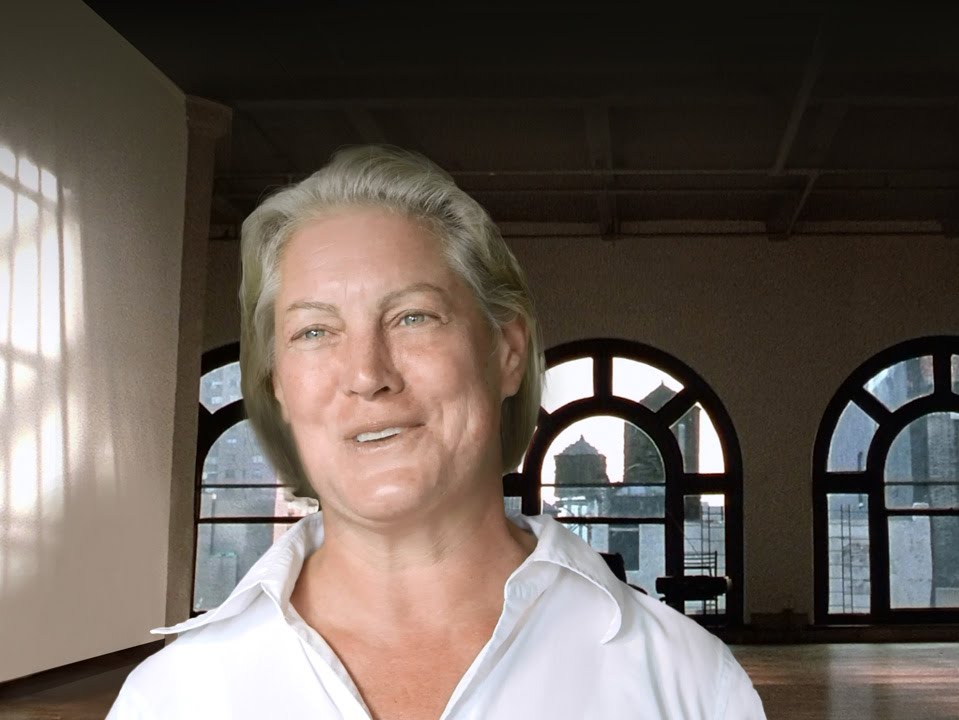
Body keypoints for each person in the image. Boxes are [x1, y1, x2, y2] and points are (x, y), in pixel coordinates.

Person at [107, 146, 766, 719]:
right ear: (279, 384)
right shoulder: (172, 698)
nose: (367, 374)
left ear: (507, 352)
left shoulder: (690, 685)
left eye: (413, 317)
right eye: (314, 331)